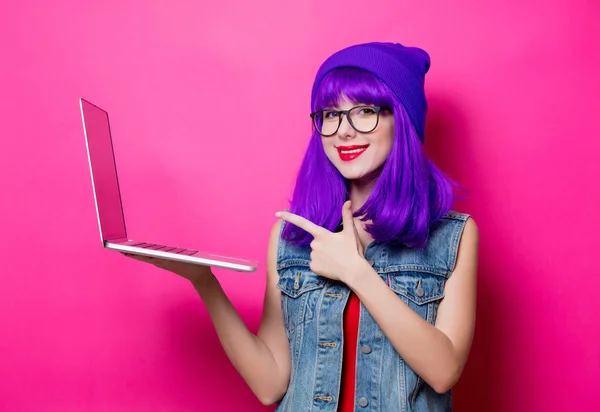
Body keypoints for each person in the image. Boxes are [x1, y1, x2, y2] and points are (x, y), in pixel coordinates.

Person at [124, 41, 479, 411]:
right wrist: (204, 281)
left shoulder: (452, 237)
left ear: (401, 120)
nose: (344, 130)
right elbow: (270, 383)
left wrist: (357, 272)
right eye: (330, 114)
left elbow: (443, 370)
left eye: (365, 111)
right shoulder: (292, 238)